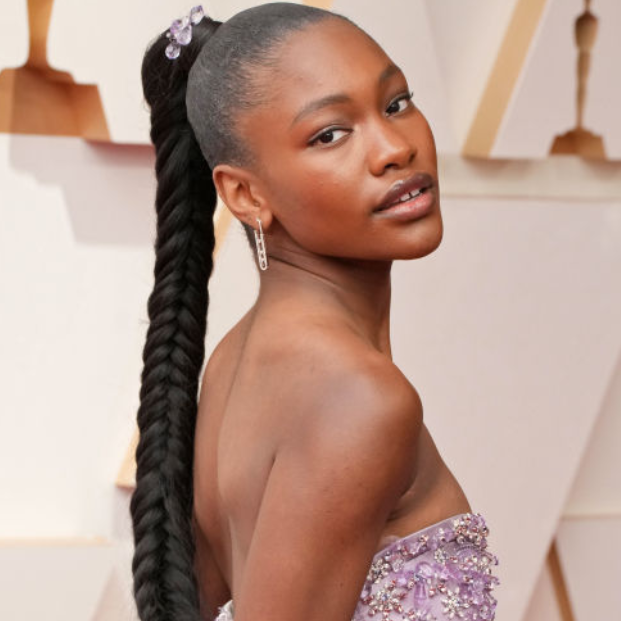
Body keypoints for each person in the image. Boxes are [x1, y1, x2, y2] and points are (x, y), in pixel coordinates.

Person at [129, 3, 501, 621]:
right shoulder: (359, 398)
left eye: (396, 103)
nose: (395, 148)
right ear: (245, 194)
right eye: (330, 134)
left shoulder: (235, 360)